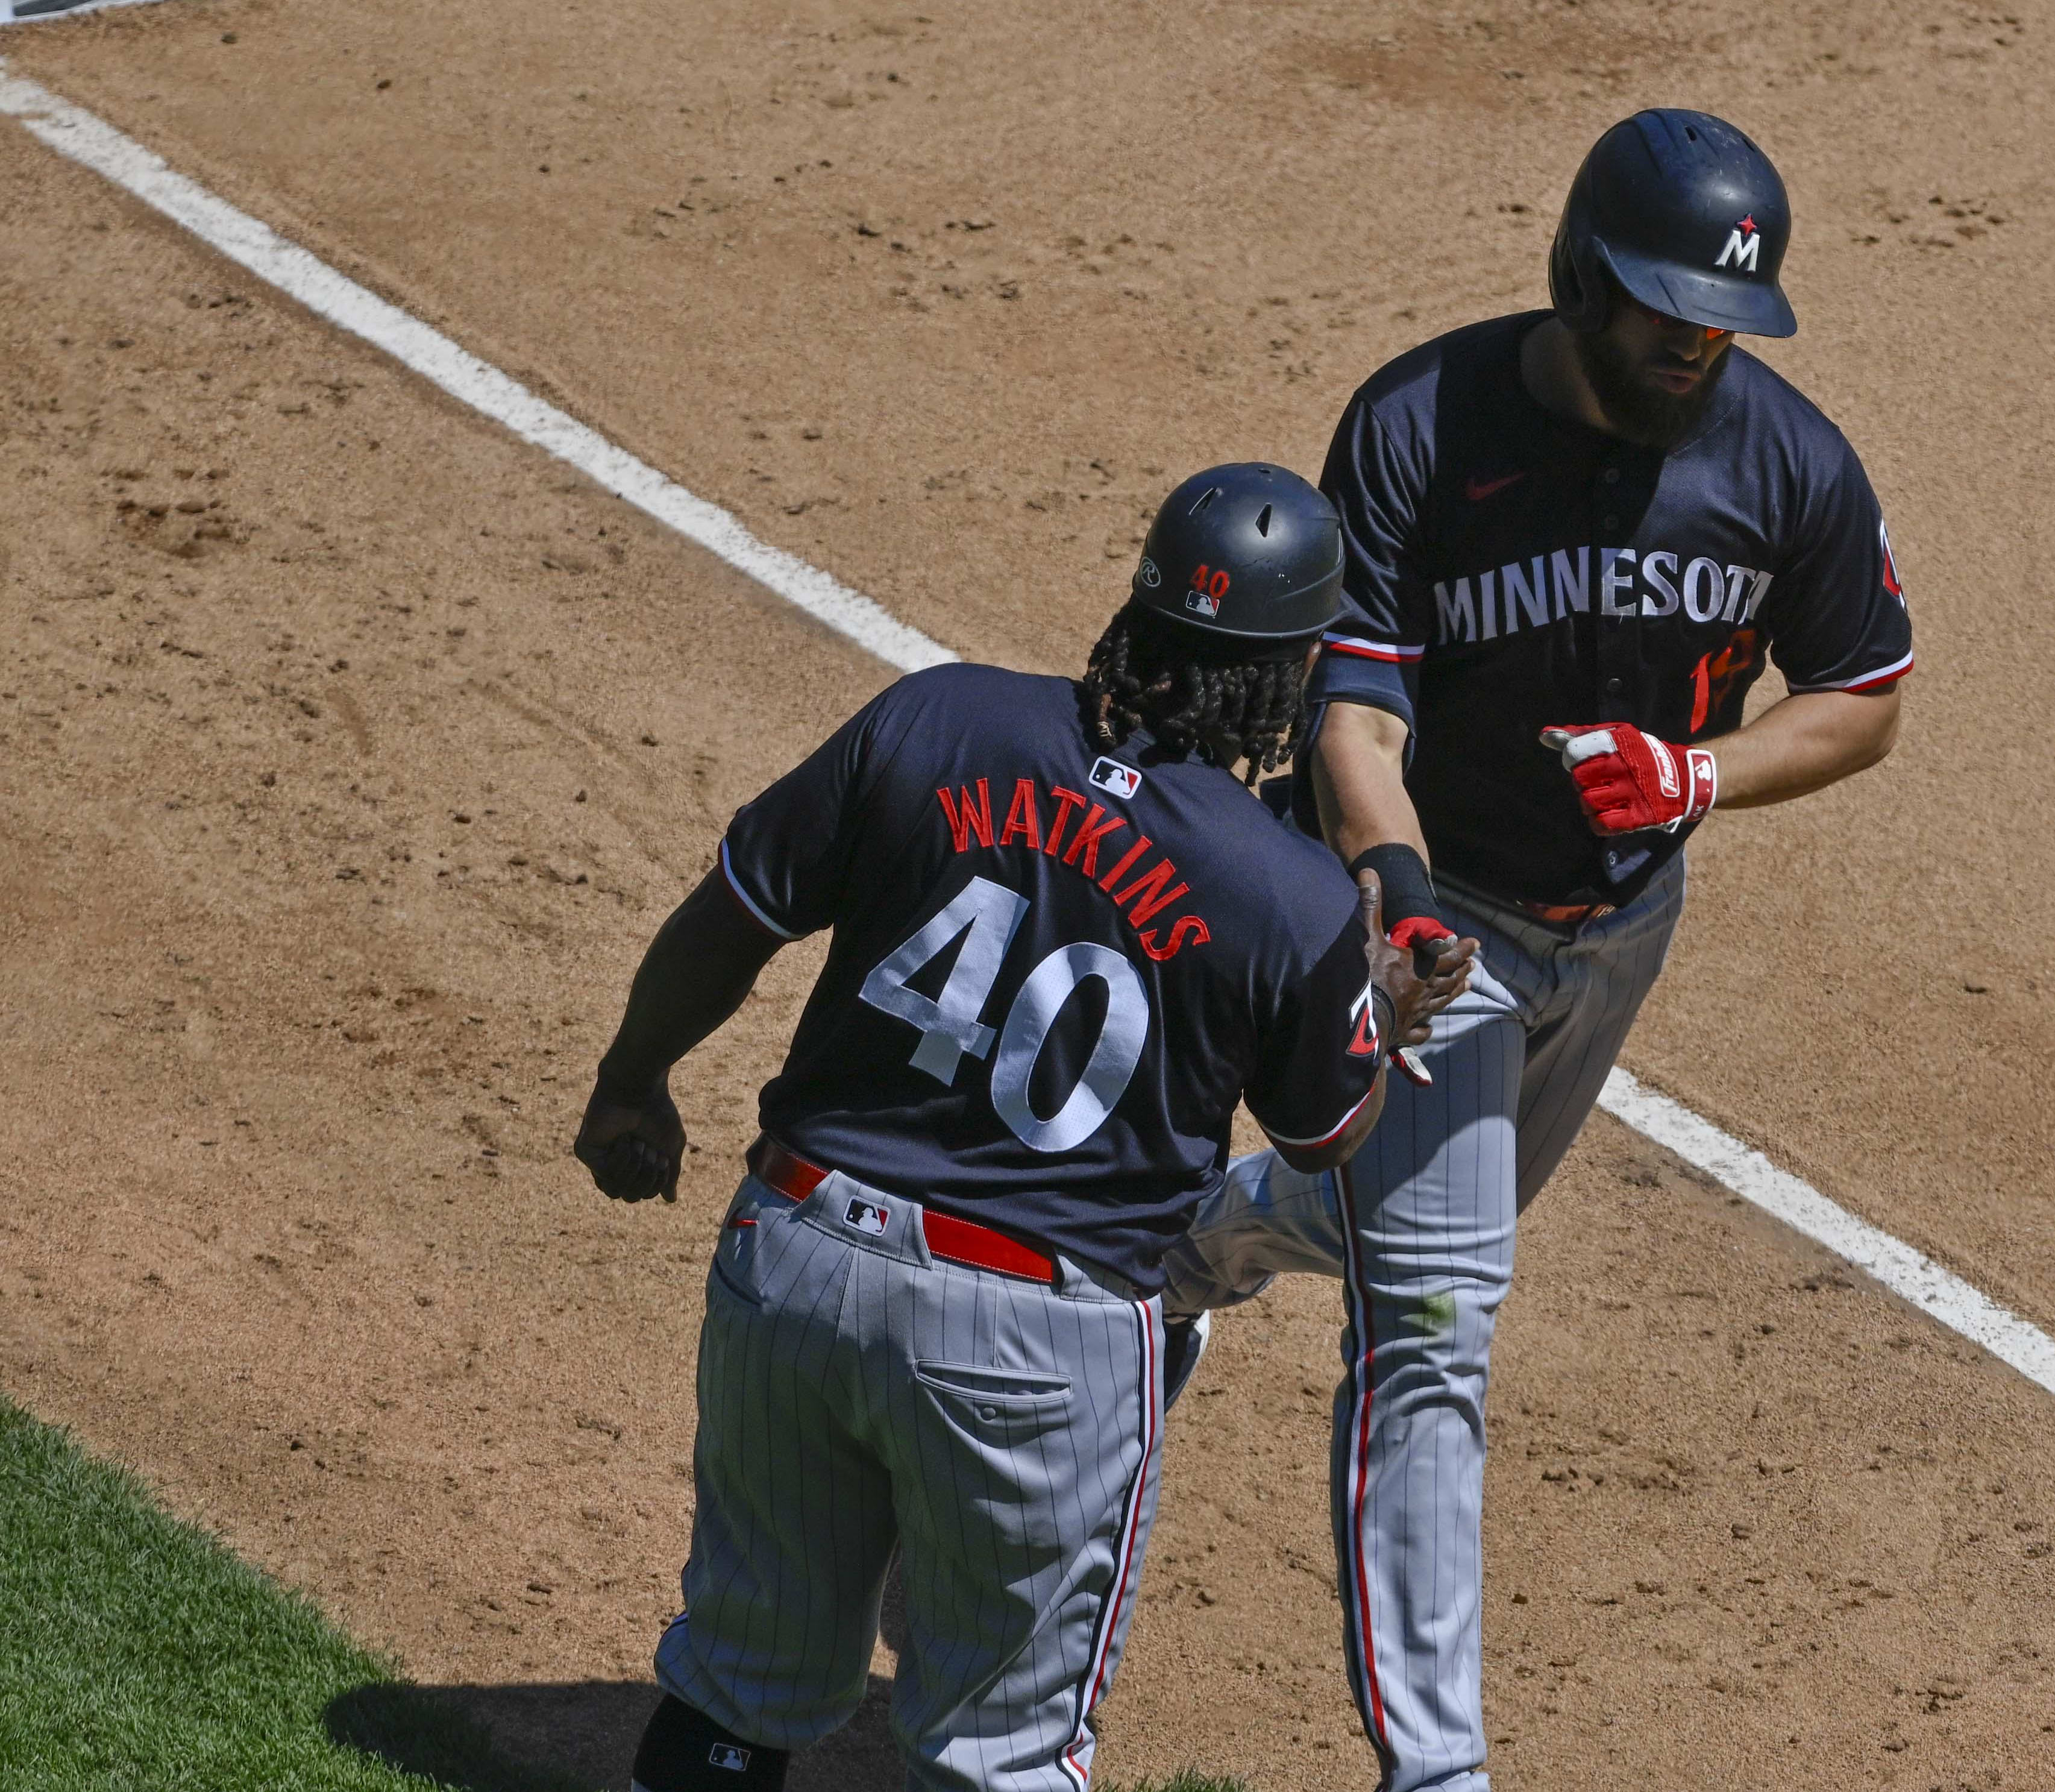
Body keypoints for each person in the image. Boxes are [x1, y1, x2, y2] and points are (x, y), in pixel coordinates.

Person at [1161, 110, 1914, 1792]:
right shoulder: (1423, 425)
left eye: (1717, 317)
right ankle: (1438, 1769)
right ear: (1577, 275)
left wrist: (1700, 773)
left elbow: (1861, 697)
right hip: (1437, 928)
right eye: (1659, 308)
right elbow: (1350, 704)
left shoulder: (1785, 464)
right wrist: (1398, 887)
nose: (1691, 342)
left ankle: (1185, 1252)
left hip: (1619, 926)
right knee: (1433, 1319)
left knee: (1418, 1229)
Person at [569, 463, 1476, 1792]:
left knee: (739, 1685)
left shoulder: (938, 718)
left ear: (1141, 606)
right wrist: (1379, 1009)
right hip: (1032, 1340)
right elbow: (1326, 1130)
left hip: (799, 1257)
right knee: (1005, 1755)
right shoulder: (1284, 888)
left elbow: (738, 906)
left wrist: (632, 1079)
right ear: (1288, 679)